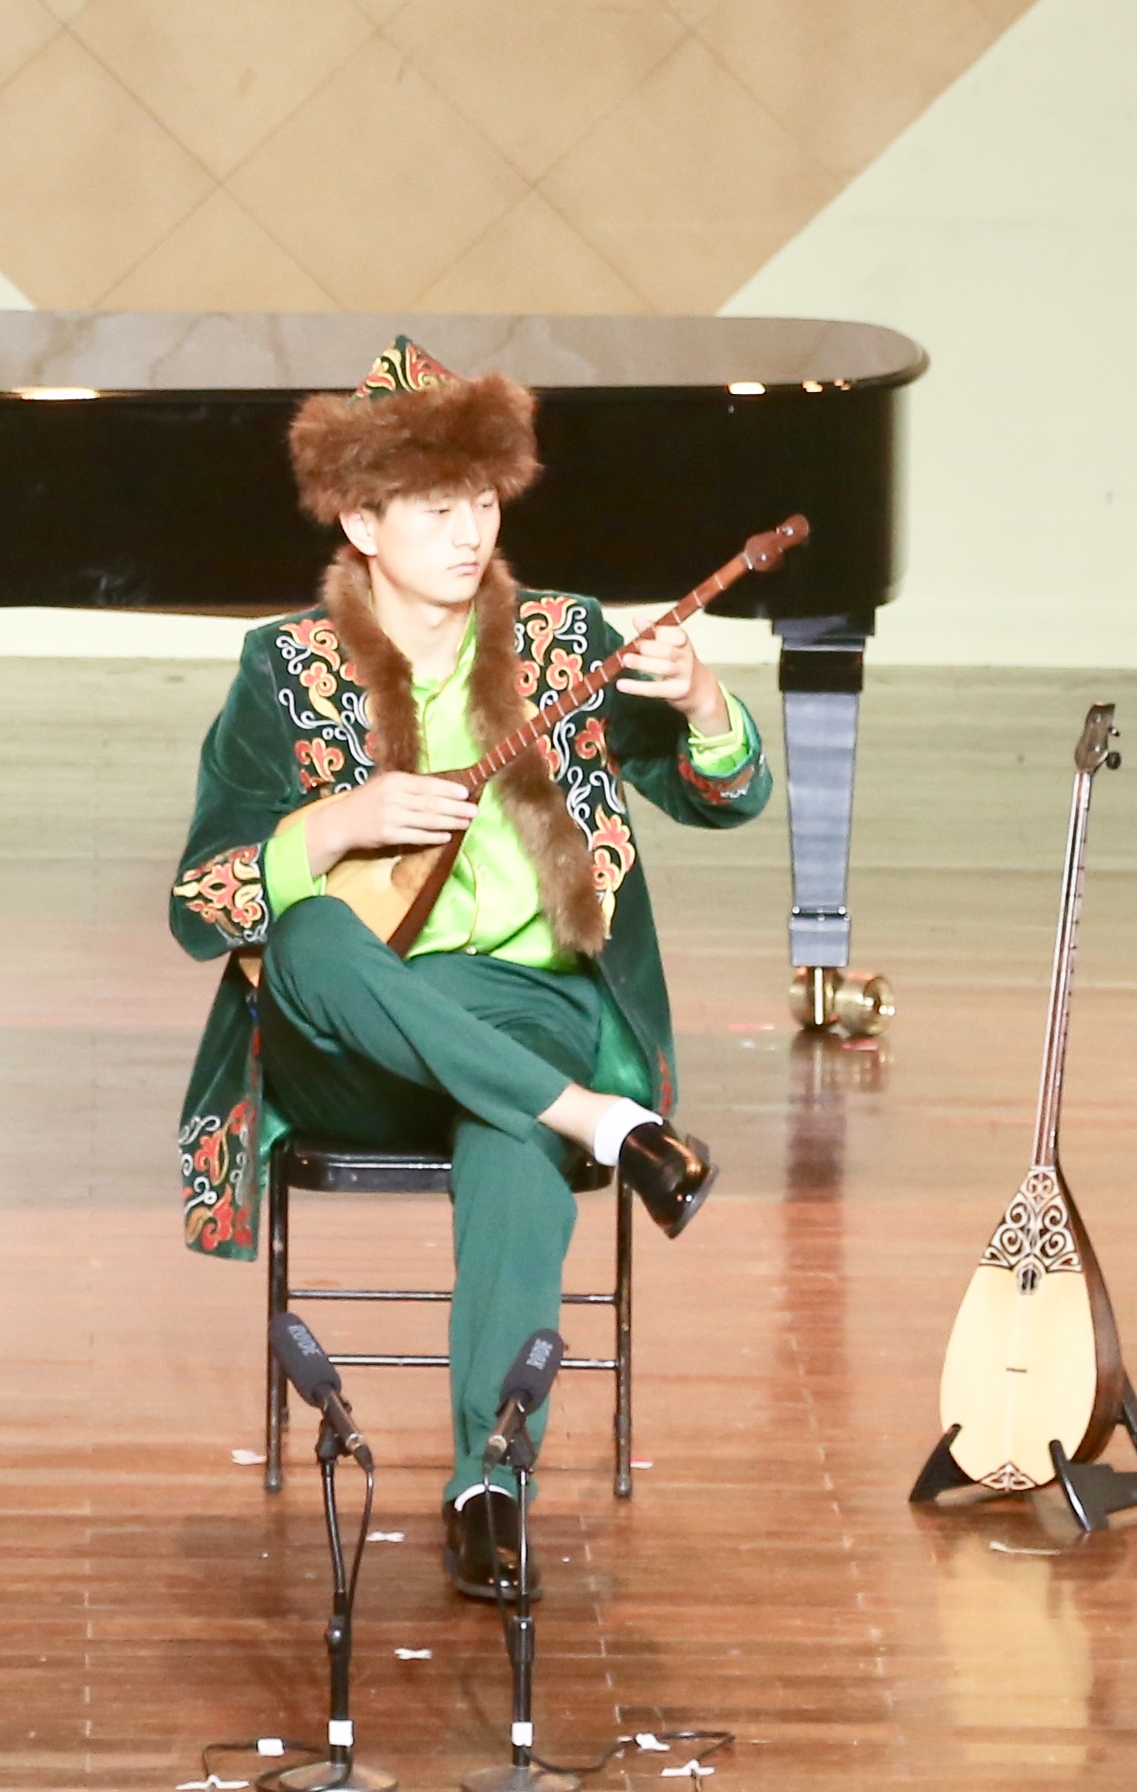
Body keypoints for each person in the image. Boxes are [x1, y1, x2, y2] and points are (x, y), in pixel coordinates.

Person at [166, 337, 774, 1601]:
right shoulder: (283, 667)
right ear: (358, 520)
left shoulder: (561, 640)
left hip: (520, 1006)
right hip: (353, 1035)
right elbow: (199, 901)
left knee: (511, 1131)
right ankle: (601, 1120)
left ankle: (488, 1482)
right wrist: (330, 826)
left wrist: (706, 702)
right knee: (309, 937)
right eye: (435, 508)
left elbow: (724, 794)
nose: (469, 531)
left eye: (484, 501)